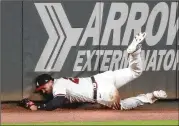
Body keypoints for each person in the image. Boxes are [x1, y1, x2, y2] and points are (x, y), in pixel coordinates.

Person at [19, 32, 167, 111]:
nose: (43, 91)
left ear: (49, 82)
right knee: (135, 71)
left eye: (43, 88)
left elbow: (56, 102)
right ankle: (135, 51)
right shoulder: (62, 83)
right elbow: (62, 101)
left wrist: (38, 106)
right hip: (103, 78)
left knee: (121, 106)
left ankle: (150, 97)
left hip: (103, 92)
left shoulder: (58, 86)